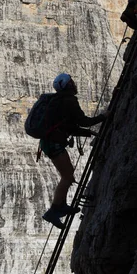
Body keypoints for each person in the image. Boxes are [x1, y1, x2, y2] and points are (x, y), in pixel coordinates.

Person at [42, 73, 110, 229]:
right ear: (69, 85)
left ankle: (60, 206)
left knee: (68, 175)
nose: (74, 84)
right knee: (67, 176)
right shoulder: (69, 101)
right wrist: (103, 117)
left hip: (49, 142)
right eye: (72, 82)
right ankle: (54, 211)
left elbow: (68, 126)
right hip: (54, 144)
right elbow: (83, 121)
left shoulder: (58, 101)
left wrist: (88, 133)